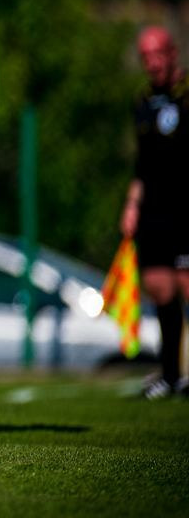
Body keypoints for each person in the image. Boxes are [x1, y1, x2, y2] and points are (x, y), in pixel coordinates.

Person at [121, 25, 188, 399]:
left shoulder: (186, 94)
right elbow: (142, 164)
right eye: (146, 57)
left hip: (185, 208)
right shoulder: (143, 101)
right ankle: (170, 375)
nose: (153, 63)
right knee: (160, 288)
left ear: (173, 52)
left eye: (158, 54)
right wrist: (132, 204)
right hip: (154, 209)